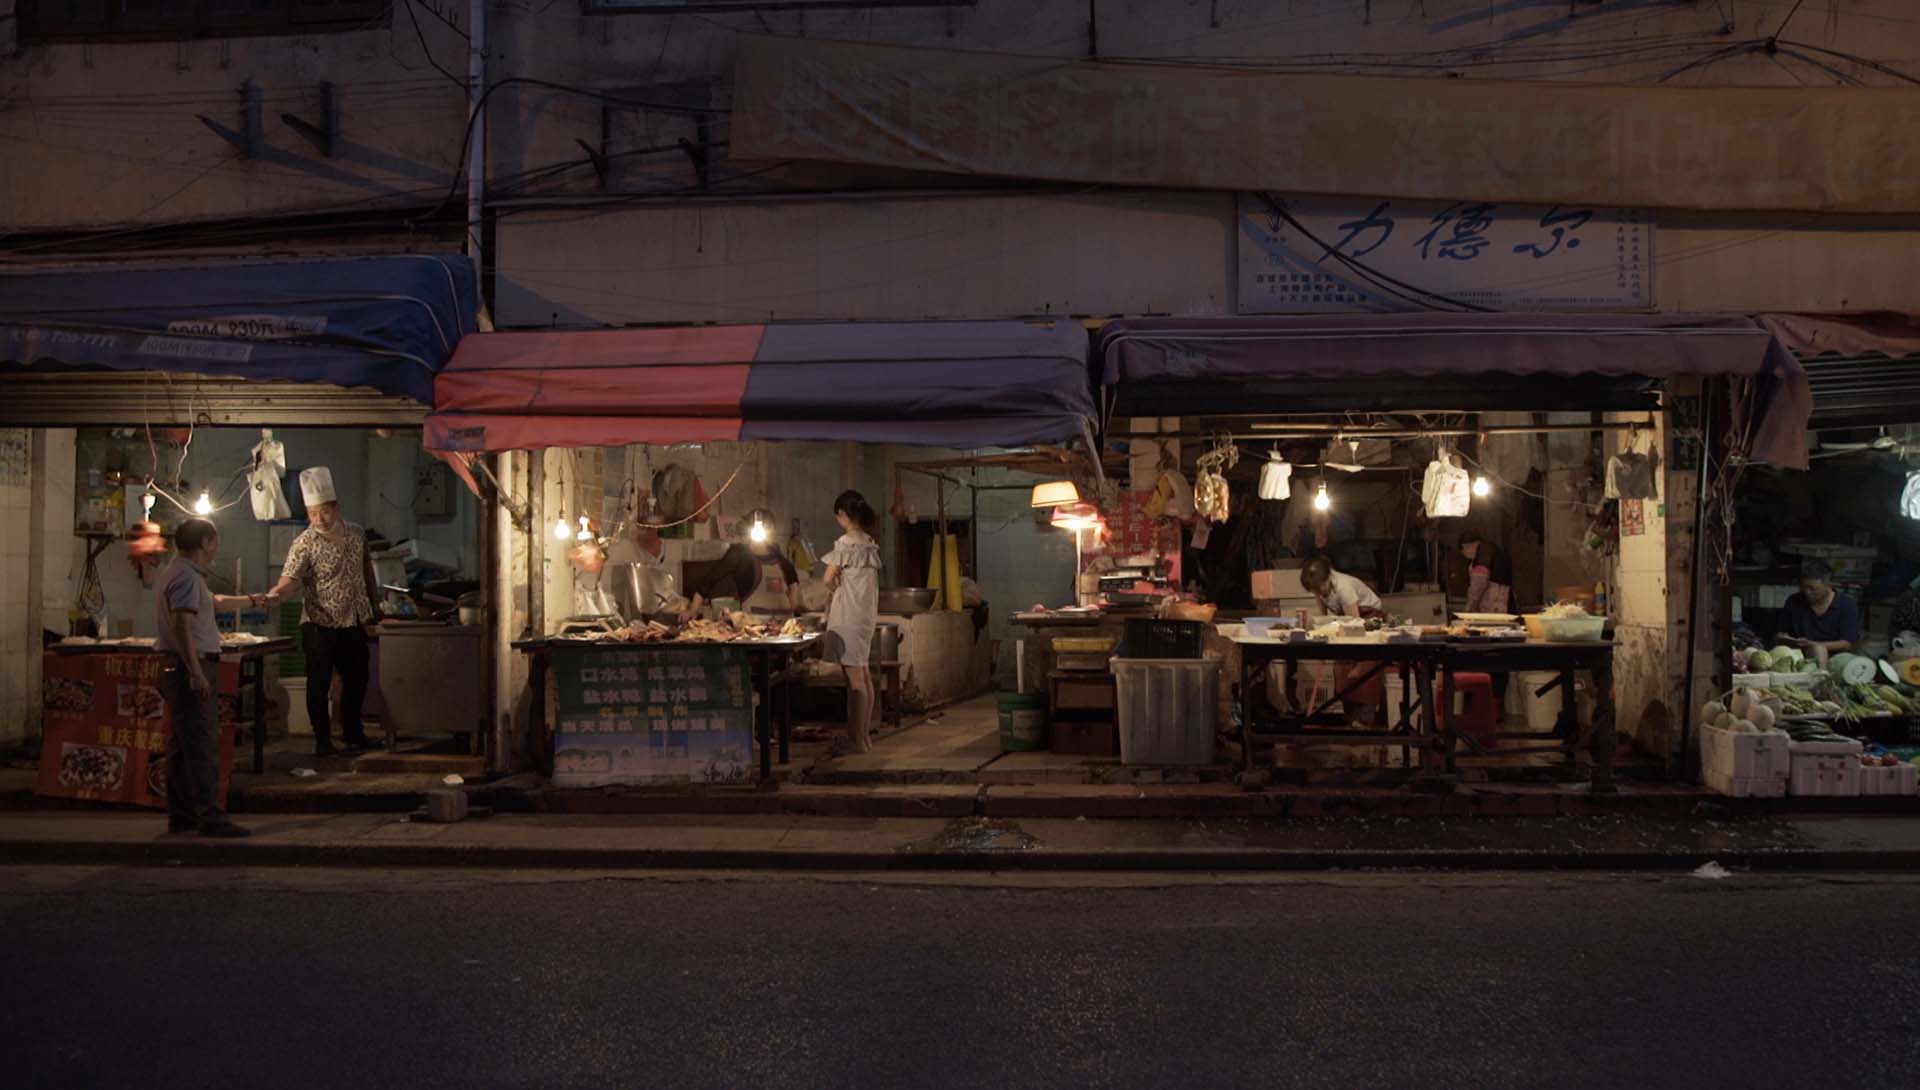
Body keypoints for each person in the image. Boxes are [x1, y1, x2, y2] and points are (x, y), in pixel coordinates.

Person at [264, 467, 381, 757]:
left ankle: (353, 733)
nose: (318, 519)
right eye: (312, 513)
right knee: (318, 682)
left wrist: (374, 605)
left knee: (358, 677)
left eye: (324, 512)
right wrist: (276, 593)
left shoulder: (356, 533)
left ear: (336, 508)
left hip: (353, 619)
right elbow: (290, 577)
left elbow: (366, 569)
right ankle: (323, 741)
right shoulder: (304, 542)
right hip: (320, 622)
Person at [155, 518, 256, 838]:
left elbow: (214, 602)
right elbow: (182, 625)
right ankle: (210, 816)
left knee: (183, 745)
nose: (217, 545)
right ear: (205, 543)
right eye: (215, 540)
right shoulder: (185, 577)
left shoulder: (180, 573)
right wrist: (196, 672)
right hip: (190, 665)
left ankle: (182, 815)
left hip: (180, 665)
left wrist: (255, 600)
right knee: (200, 744)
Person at [822, 490, 882, 756]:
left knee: (855, 682)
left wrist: (835, 582)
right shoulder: (869, 542)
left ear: (844, 515)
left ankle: (855, 742)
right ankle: (864, 737)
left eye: (838, 515)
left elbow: (827, 578)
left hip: (848, 618)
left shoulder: (846, 543)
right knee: (865, 677)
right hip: (865, 617)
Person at [1300, 555, 1387, 726]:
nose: (1317, 593)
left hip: (1366, 621)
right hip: (1347, 622)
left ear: (1327, 578)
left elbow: (1355, 624)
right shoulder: (1320, 588)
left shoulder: (1344, 587)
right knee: (1343, 669)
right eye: (1313, 590)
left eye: (1318, 588)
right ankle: (1350, 719)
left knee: (1364, 671)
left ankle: (1365, 721)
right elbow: (1323, 617)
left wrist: (1357, 662)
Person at [1775, 559, 1860, 668]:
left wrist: (1813, 644)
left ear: (1828, 585)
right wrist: (1787, 639)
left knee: (1818, 650)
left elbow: (1847, 644)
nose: (1807, 592)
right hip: (1802, 658)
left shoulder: (1847, 605)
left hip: (1838, 660)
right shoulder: (1794, 602)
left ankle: (1821, 678)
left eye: (1812, 588)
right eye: (1804, 587)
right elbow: (1779, 635)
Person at [1459, 529, 1515, 614]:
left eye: (1464, 549)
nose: (1465, 553)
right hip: (1502, 603)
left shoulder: (1484, 551)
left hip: (1497, 606)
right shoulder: (1491, 549)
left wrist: (1469, 609)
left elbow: (1479, 583)